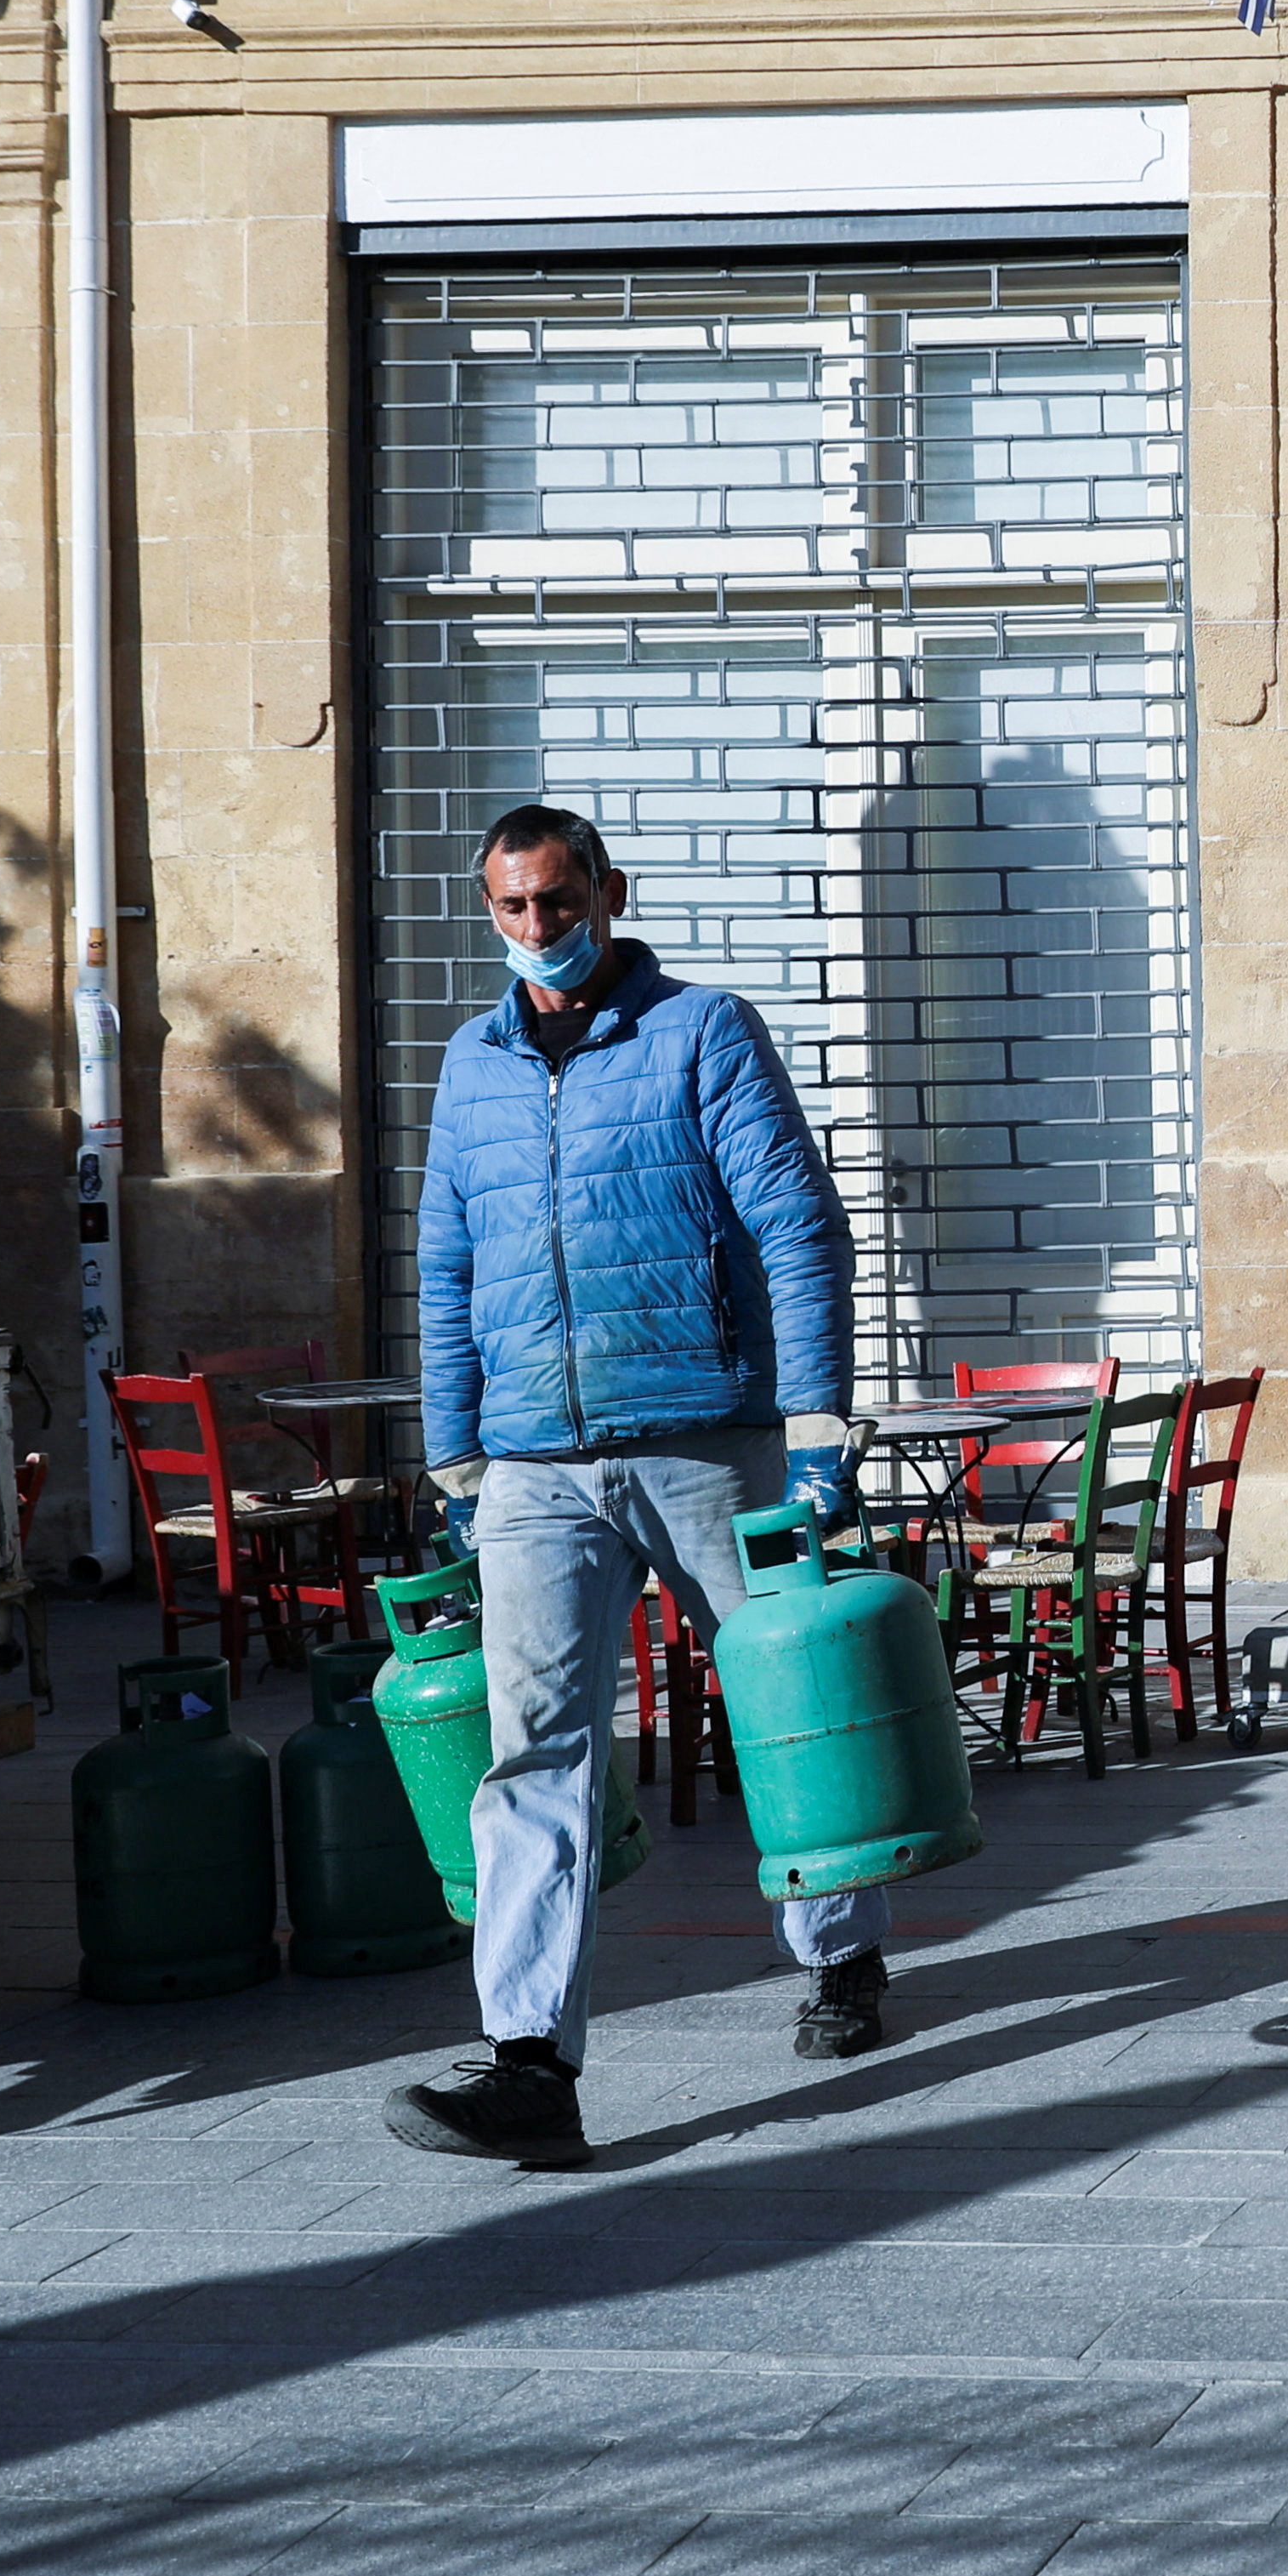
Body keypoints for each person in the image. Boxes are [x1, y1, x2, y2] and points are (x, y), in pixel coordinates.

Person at [384, 805, 888, 2172]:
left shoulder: (702, 1032)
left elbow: (799, 1227)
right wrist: (455, 1452)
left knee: (784, 1707)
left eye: (557, 902)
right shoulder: (470, 1066)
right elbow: (446, 1271)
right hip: (534, 1466)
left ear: (608, 891)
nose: (539, 930)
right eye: (512, 910)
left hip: (703, 1440)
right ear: (487, 911)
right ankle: (531, 2062)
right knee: (533, 1748)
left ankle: (840, 1957)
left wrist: (818, 1428)